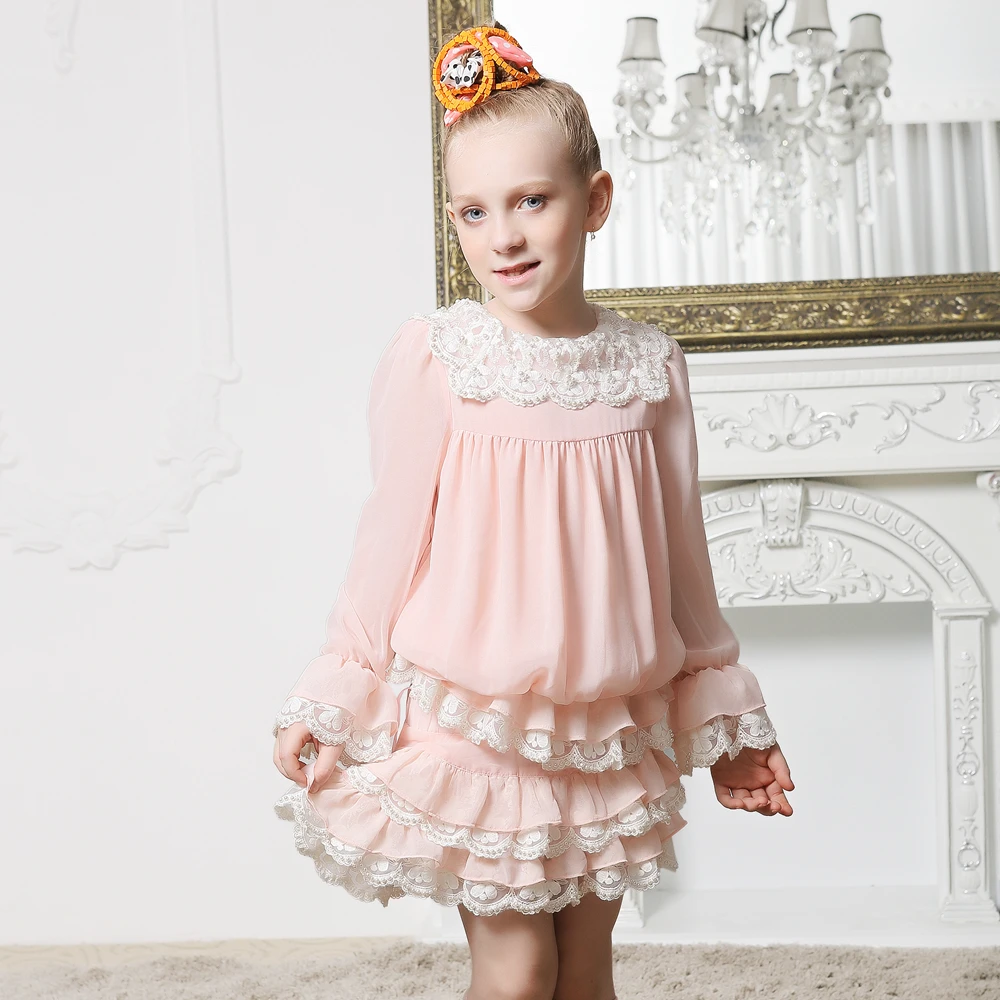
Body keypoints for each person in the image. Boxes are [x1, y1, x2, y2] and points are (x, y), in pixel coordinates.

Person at [272, 22, 795, 1000]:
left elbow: (682, 560)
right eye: (474, 212)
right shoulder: (440, 358)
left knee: (585, 971)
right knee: (517, 972)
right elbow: (389, 541)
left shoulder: (648, 366)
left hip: (609, 724)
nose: (502, 237)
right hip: (475, 716)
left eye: (530, 201)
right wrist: (341, 686)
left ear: (593, 201)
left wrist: (729, 722)